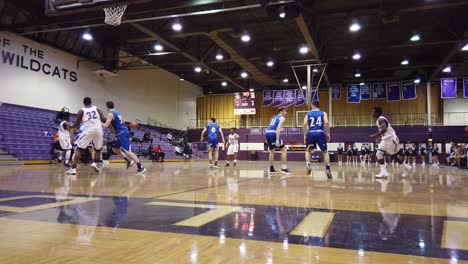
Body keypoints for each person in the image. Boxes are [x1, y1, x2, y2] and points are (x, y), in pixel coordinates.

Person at [102, 101, 146, 174]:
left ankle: (140, 167)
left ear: (107, 107)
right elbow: (123, 121)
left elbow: (106, 125)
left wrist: (98, 123)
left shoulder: (110, 114)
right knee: (115, 148)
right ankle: (127, 160)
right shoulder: (117, 112)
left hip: (122, 133)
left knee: (127, 151)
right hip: (122, 132)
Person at [66, 97, 106, 175]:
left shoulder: (81, 110)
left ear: (83, 103)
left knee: (79, 149)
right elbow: (104, 119)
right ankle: (95, 163)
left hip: (88, 130)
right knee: (98, 149)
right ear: (91, 102)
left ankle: (73, 168)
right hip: (98, 130)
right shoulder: (97, 108)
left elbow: (77, 124)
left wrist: (70, 127)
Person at [369, 106, 412, 178]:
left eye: (373, 112)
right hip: (386, 139)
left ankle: (405, 167)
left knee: (393, 156)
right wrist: (380, 137)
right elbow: (383, 131)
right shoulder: (379, 120)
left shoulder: (381, 119)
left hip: (391, 139)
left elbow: (384, 129)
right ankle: (384, 172)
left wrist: (375, 135)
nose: (371, 113)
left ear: (377, 113)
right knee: (379, 154)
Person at [303, 101, 331, 178]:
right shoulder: (323, 113)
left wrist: (305, 135)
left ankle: (308, 165)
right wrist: (328, 133)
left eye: (311, 105)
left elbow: (304, 124)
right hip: (320, 133)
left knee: (308, 151)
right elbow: (327, 122)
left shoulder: (308, 114)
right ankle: (328, 169)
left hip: (311, 133)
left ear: (313, 105)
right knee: (325, 152)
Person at [266, 106, 291, 175]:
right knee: (284, 150)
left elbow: (270, 127)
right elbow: (278, 129)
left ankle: (271, 169)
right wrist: (277, 140)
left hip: (267, 133)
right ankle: (284, 168)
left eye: (286, 111)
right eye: (285, 111)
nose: (286, 113)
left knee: (271, 151)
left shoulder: (274, 117)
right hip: (273, 133)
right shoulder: (282, 118)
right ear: (281, 111)